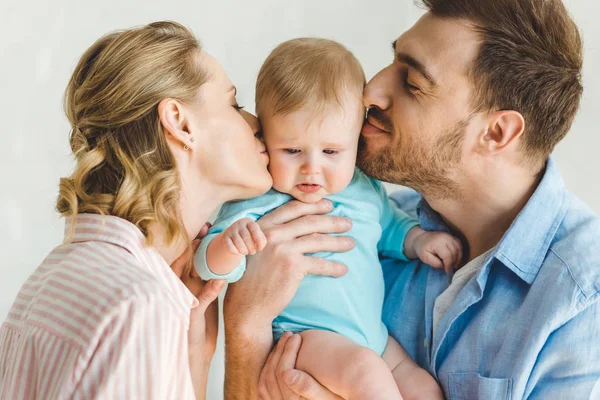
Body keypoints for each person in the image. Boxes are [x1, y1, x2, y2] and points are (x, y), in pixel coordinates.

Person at [223, 0, 600, 399]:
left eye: (413, 83)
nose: (371, 91)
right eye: (393, 61)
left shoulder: (582, 300)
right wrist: (245, 331)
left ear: (496, 133)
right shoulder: (367, 223)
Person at [0, 21, 353, 400]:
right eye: (235, 104)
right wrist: (247, 326)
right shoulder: (140, 306)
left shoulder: (53, 278)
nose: (256, 124)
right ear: (181, 123)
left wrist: (195, 362)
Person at [197, 38, 460, 399]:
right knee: (368, 375)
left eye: (332, 152)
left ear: (356, 141)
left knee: (424, 388)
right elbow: (207, 265)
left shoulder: (364, 189)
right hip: (305, 340)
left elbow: (390, 227)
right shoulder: (258, 199)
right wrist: (228, 246)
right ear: (264, 139)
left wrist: (419, 240)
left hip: (375, 338)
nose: (312, 168)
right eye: (291, 150)